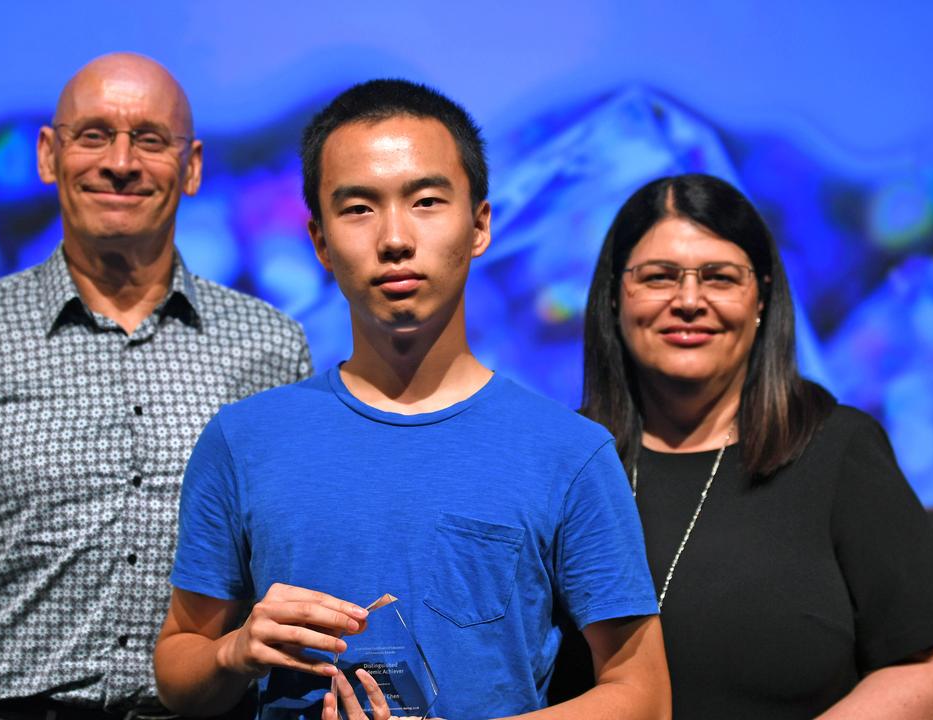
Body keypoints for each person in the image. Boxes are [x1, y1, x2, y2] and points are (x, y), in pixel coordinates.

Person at [152, 79, 672, 720]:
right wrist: (235, 651)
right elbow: (179, 663)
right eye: (358, 208)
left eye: (426, 201)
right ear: (319, 242)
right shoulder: (244, 441)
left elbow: (642, 695)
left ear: (479, 223)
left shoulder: (570, 453)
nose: (395, 237)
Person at [0, 53, 311, 719]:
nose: (120, 161)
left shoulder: (271, 347)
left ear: (194, 166)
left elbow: (288, 583)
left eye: (150, 139)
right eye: (92, 135)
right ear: (47, 155)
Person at [580, 173, 933, 719]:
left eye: (720, 277)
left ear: (762, 296)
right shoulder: (562, 460)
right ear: (613, 298)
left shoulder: (838, 449)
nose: (689, 301)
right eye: (659, 277)